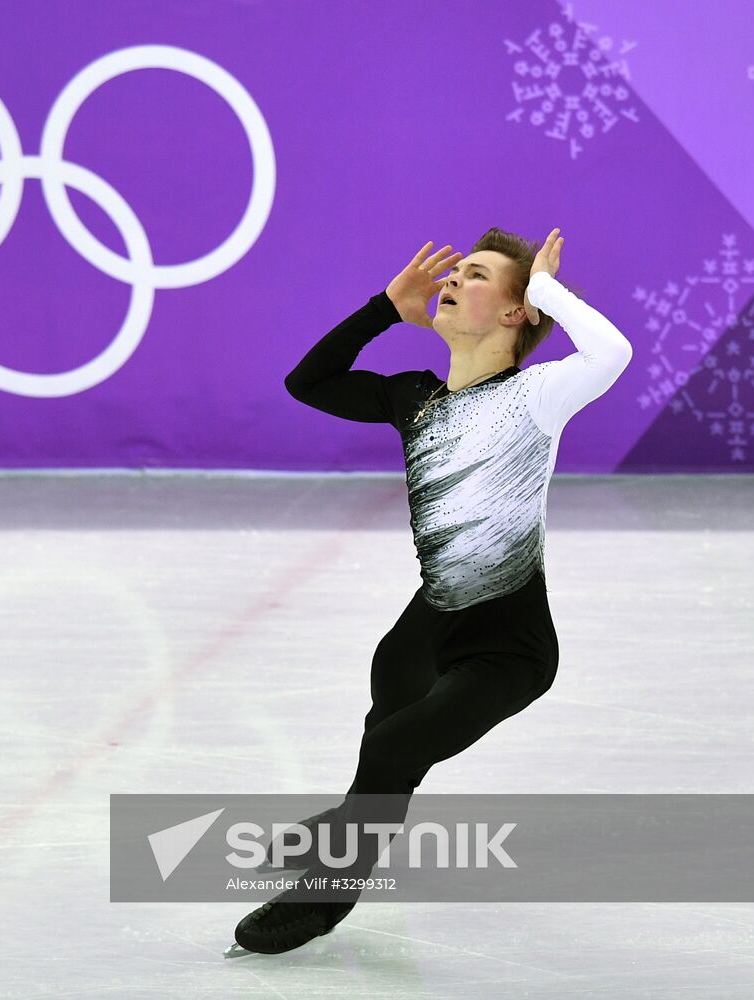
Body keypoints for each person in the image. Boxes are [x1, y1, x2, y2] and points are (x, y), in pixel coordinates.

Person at [227, 227, 634, 957]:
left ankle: (328, 894)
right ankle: (351, 823)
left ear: (515, 313)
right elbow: (308, 383)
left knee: (392, 747)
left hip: (507, 650)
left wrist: (547, 291)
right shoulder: (414, 398)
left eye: (476, 276)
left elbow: (612, 354)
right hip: (428, 624)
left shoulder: (539, 394)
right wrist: (384, 308)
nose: (453, 280)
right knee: (387, 733)